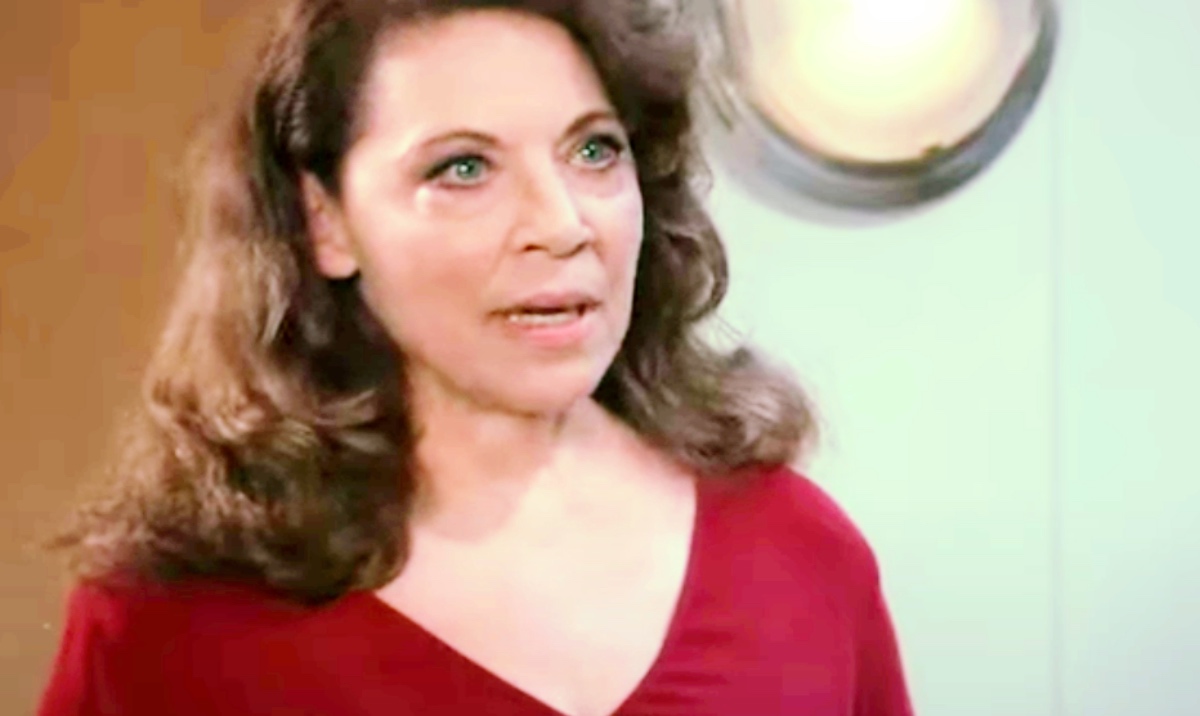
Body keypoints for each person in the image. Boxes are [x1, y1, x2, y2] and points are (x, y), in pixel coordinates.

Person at [36, 0, 914, 714]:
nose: (561, 224)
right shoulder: (170, 624)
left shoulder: (798, 552)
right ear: (325, 220)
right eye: (463, 169)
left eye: (594, 151)